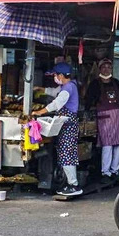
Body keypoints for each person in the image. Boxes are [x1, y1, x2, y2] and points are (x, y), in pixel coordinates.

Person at [33, 62, 82, 196]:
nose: (54, 77)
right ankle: (72, 184)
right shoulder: (67, 86)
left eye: (55, 75)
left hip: (68, 126)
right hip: (67, 125)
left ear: (61, 75)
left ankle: (73, 185)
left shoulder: (68, 88)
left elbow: (56, 103)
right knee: (67, 154)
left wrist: (40, 112)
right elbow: (54, 92)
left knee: (67, 155)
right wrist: (41, 89)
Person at [84, 58, 119, 184]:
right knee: (107, 144)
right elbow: (88, 101)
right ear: (100, 69)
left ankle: (115, 171)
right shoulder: (95, 84)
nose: (106, 69)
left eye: (109, 67)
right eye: (104, 67)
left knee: (118, 144)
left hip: (118, 117)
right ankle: (106, 172)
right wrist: (88, 112)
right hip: (104, 118)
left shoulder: (116, 83)